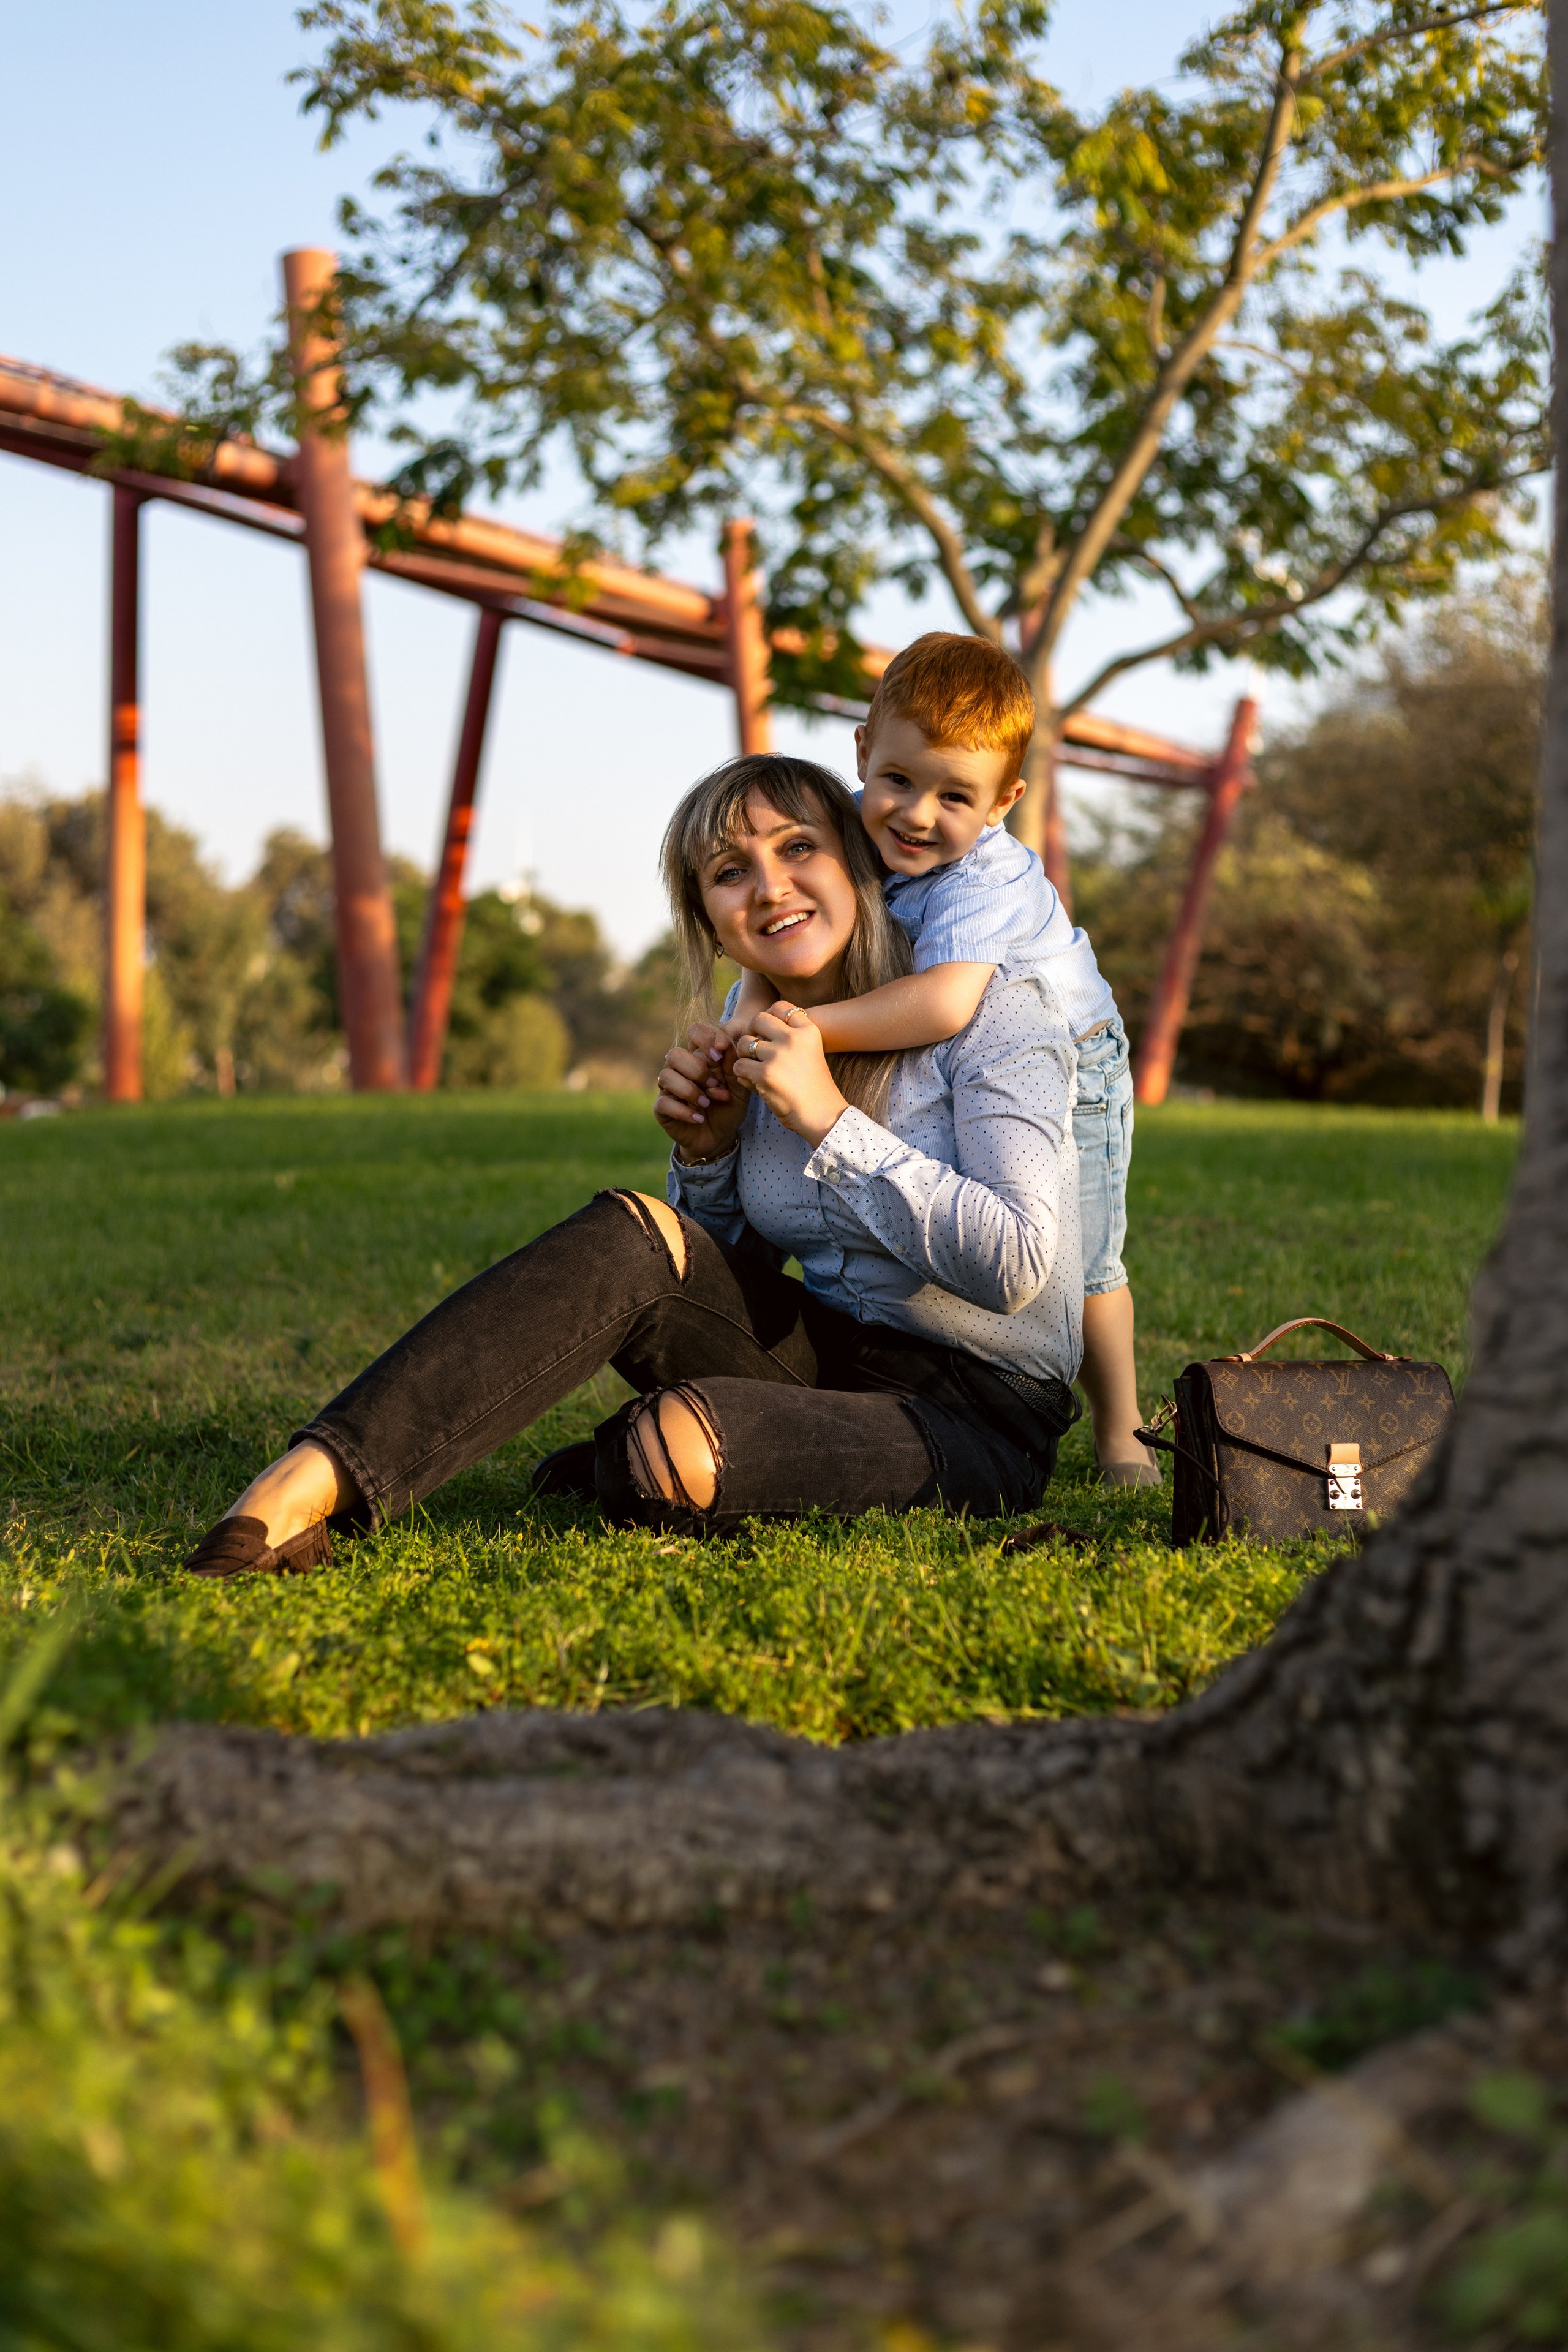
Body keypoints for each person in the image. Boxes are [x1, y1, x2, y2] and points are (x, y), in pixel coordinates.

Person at [179, 755, 1084, 1579]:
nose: (771, 889)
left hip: (977, 1410)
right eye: (731, 873)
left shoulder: (999, 1014)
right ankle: (311, 1478)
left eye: (798, 847)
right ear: (712, 924)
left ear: (858, 863)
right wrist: (709, 1151)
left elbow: (1013, 1270)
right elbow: (707, 1280)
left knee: (674, 1456)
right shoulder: (755, 1037)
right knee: (633, 1228)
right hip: (828, 1353)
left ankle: (642, 1453)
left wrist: (828, 1120)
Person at [723, 633, 1156, 1487]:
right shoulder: (845, 829)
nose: (918, 815)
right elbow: (778, 950)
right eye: (898, 781)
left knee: (1092, 1256)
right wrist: (753, 1019)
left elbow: (943, 1003)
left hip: (1073, 1057)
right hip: (958, 1057)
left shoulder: (984, 880)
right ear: (862, 754)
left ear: (1004, 801)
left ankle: (1122, 1433)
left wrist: (804, 1035)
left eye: (955, 795)